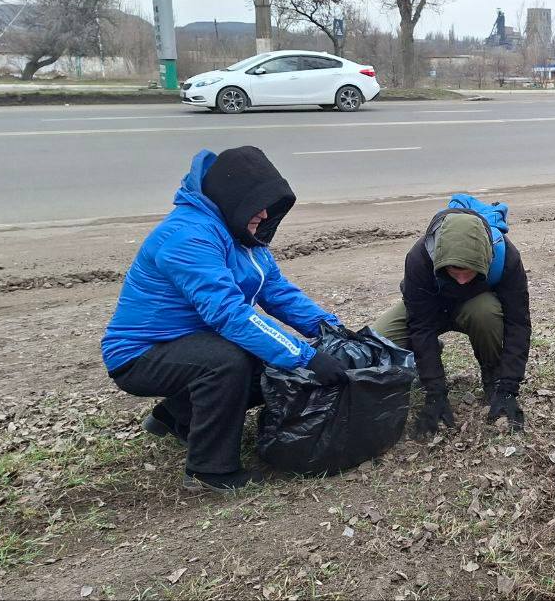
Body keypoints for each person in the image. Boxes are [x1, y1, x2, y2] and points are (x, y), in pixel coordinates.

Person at [101, 146, 348, 493]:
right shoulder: (189, 237)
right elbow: (230, 314)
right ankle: (209, 471)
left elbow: (276, 290)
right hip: (142, 353)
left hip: (193, 342)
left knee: (265, 364)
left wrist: (329, 328)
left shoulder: (242, 234)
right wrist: (306, 357)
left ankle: (175, 416)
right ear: (233, 197)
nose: (264, 213)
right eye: (257, 203)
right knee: (228, 363)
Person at [371, 195, 532, 438]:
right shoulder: (419, 258)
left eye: (469, 272)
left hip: (474, 307)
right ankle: (422, 361)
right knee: (379, 339)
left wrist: (509, 387)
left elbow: (518, 323)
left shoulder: (506, 257)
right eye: (454, 272)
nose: (461, 280)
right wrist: (435, 391)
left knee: (486, 312)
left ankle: (492, 375)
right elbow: (421, 325)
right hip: (432, 306)